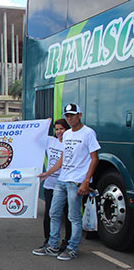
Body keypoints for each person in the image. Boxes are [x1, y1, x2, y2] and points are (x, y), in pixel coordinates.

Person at [34, 103, 100, 261]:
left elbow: (94, 158)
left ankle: (72, 248)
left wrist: (86, 181)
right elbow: (63, 158)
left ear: (80, 115)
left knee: (73, 216)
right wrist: (48, 173)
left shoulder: (88, 133)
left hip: (76, 182)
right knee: (54, 213)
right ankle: (52, 245)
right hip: (62, 180)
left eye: (72, 115)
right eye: (67, 116)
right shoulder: (68, 134)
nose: (69, 118)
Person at [35, 119, 72, 253]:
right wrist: (45, 124)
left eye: (61, 129)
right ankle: (48, 240)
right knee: (49, 214)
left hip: (64, 184)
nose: (59, 132)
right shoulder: (51, 141)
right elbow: (35, 137)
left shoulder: (69, 143)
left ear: (67, 129)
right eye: (56, 129)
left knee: (68, 214)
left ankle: (67, 241)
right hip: (50, 184)